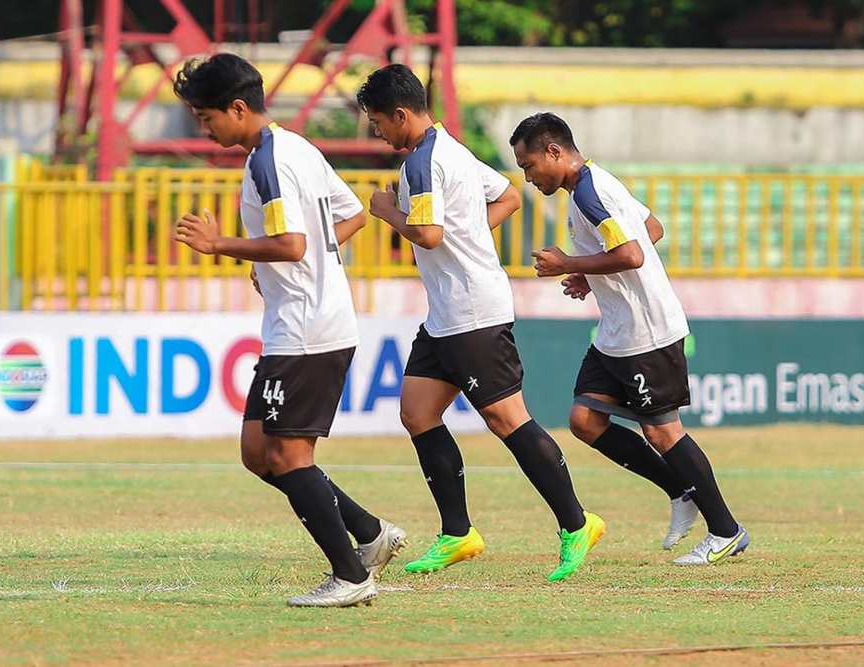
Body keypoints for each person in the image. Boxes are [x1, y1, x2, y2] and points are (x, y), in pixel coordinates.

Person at [173, 53, 407, 607]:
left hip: (306, 330)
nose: (205, 132)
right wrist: (285, 265)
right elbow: (348, 215)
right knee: (259, 451)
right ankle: (370, 534)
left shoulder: (268, 162)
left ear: (237, 107)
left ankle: (350, 576)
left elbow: (293, 244)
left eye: (207, 120)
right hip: (302, 323)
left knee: (287, 458)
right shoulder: (295, 146)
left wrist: (222, 246)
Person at [358, 64, 605, 582]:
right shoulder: (452, 150)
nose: (377, 132)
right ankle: (457, 533)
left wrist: (386, 211)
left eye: (379, 122)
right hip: (447, 313)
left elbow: (427, 235)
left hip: (472, 313)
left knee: (508, 420)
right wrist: (469, 235)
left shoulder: (424, 164)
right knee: (417, 413)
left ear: (401, 115)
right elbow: (509, 196)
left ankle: (577, 523)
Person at [510, 111, 749, 565]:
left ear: (554, 152)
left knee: (663, 432)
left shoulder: (588, 194)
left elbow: (632, 252)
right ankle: (680, 489)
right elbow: (651, 226)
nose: (528, 176)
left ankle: (726, 530)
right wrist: (589, 272)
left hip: (646, 330)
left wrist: (569, 263)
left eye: (529, 165)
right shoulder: (598, 182)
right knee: (585, 421)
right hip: (616, 333)